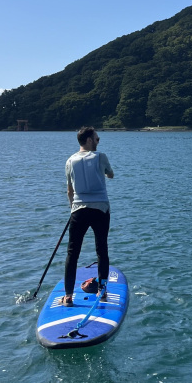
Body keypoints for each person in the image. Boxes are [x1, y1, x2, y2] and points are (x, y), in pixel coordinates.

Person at [61, 126, 114, 306]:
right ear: (90, 140)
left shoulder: (69, 161)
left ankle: (68, 296)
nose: (98, 142)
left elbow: (69, 191)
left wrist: (72, 209)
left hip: (78, 209)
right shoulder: (101, 157)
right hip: (100, 209)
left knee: (72, 253)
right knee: (101, 249)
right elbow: (111, 174)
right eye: (97, 139)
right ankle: (102, 290)